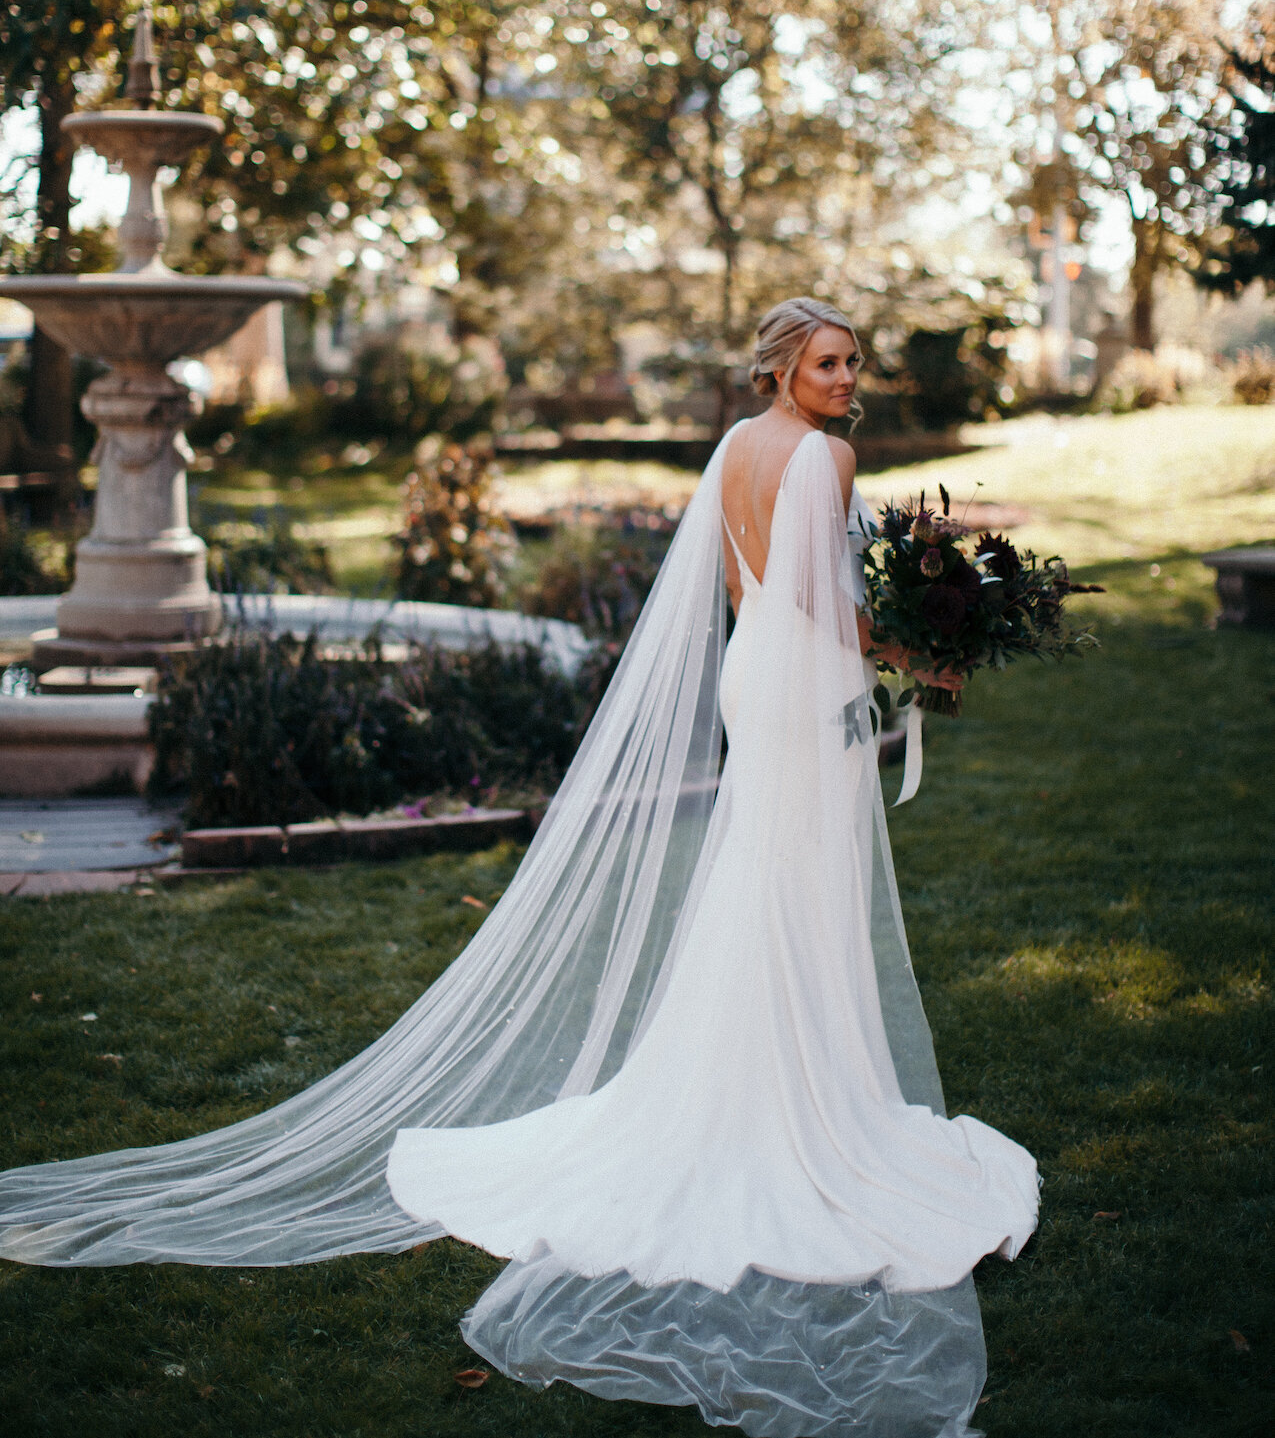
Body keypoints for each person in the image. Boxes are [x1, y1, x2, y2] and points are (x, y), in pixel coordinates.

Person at [0, 296, 1038, 1438]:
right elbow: (823, 608)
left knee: (766, 882)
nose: (849, 377)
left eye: (854, 361)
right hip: (807, 683)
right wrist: (923, 652)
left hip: (761, 680)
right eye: (830, 361)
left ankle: (764, 1084)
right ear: (783, 368)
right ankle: (803, 1109)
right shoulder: (826, 460)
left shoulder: (737, 448)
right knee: (801, 886)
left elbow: (753, 597)